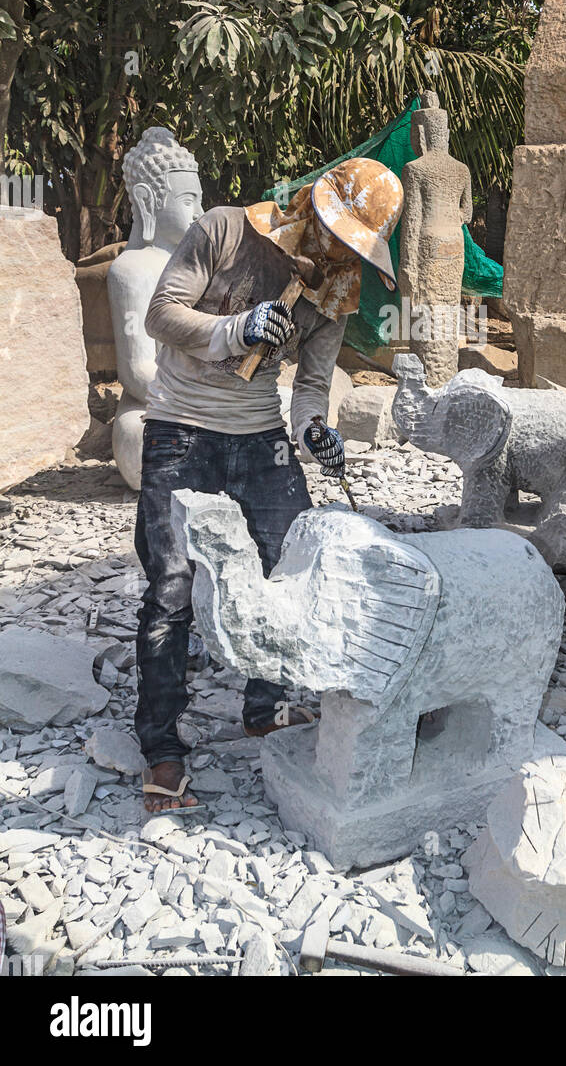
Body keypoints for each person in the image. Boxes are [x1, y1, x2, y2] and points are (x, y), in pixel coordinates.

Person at [134, 155, 404, 811]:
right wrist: (235, 328)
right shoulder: (223, 232)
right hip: (182, 426)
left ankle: (266, 703)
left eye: (354, 243)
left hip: (260, 437)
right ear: (311, 206)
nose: (341, 250)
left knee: (294, 564)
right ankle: (162, 748)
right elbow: (161, 317)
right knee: (171, 586)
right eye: (336, 231)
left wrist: (317, 432)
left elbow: (310, 392)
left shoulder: (334, 292)